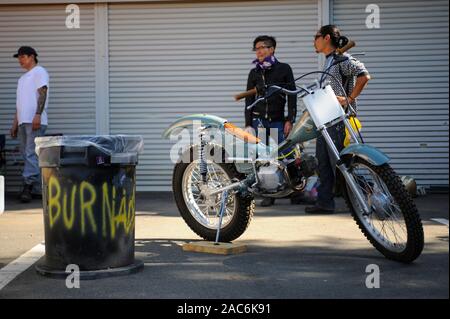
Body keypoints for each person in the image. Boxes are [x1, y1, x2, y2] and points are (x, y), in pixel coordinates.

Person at [305, 25, 371, 214]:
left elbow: (364, 75)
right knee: (323, 163)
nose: (313, 41)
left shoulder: (342, 59)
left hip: (338, 121)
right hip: (324, 121)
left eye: (315, 37)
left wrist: (349, 99)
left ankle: (370, 191)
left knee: (340, 162)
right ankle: (324, 203)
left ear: (326, 38)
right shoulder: (329, 61)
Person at [245, 35, 297, 207]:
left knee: (287, 155)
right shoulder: (254, 72)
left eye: (262, 47)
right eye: (256, 48)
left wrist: (290, 119)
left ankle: (296, 191)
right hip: (259, 122)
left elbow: (292, 96)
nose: (259, 51)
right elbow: (249, 101)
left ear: (272, 49)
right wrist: (247, 124)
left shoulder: (284, 69)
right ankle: (269, 193)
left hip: (277, 121)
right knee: (264, 159)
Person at [10, 46, 49, 203]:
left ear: (32, 57)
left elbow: (43, 92)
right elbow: (19, 104)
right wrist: (14, 124)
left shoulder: (39, 72)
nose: (20, 60)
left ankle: (28, 186)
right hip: (23, 121)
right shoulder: (22, 79)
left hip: (34, 120)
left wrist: (38, 115)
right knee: (28, 154)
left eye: (23, 57)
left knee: (31, 152)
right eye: (18, 57)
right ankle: (39, 189)